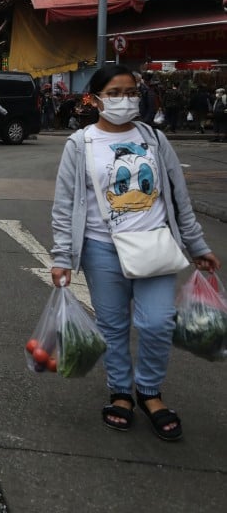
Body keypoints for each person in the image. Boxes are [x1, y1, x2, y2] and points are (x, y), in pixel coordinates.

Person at [50, 65, 220, 441]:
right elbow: (65, 206)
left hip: (155, 246)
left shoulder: (156, 140)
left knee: (157, 322)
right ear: (94, 99)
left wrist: (198, 246)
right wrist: (62, 256)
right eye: (115, 93)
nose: (125, 100)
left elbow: (178, 199)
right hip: (101, 250)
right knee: (113, 329)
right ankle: (122, 392)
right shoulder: (80, 145)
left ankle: (149, 391)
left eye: (131, 92)